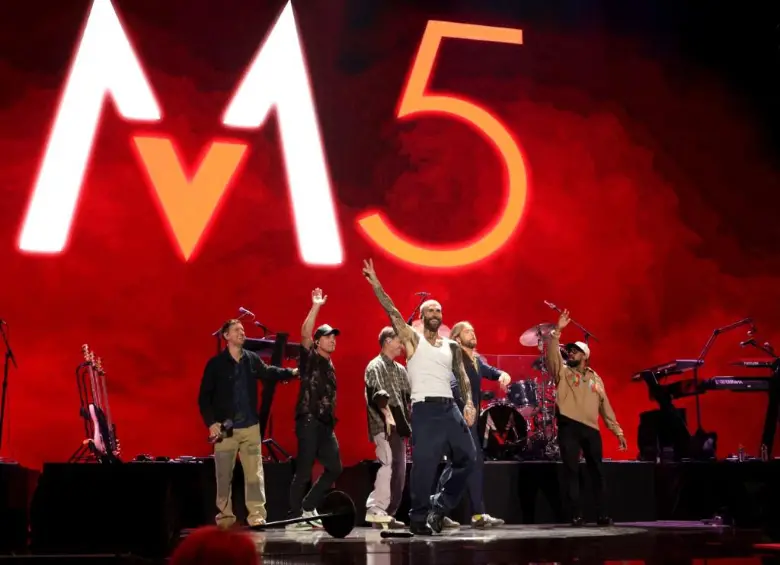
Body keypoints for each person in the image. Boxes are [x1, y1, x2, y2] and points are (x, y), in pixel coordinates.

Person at [362, 258, 476, 535]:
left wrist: (469, 403)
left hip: (450, 408)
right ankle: (418, 517)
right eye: (430, 309)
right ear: (423, 316)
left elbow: (461, 377)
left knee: (468, 458)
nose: (436, 312)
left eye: (439, 309)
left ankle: (440, 506)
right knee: (424, 467)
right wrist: (377, 284)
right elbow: (392, 311)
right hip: (425, 410)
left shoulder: (451, 345)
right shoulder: (412, 339)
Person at [198, 319, 298, 528]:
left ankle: (256, 517)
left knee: (254, 475)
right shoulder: (215, 365)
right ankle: (225, 518)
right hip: (226, 429)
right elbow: (204, 398)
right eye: (237, 330)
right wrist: (211, 424)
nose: (242, 333)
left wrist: (291, 372)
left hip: (250, 426)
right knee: (224, 475)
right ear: (226, 336)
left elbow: (269, 371)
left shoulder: (251, 359)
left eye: (243, 330)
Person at [546, 309, 627, 526]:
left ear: (585, 356)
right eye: (569, 351)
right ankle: (576, 515)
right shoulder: (562, 372)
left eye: (575, 351)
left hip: (591, 429)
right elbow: (552, 357)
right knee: (572, 471)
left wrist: (617, 431)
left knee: (598, 472)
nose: (570, 353)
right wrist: (557, 332)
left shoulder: (596, 378)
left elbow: (605, 407)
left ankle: (602, 514)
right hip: (569, 426)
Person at [439, 321, 511, 528]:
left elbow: (491, 371)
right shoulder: (454, 357)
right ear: (457, 338)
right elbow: (453, 385)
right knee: (458, 464)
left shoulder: (476, 360)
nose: (473, 333)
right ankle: (437, 510)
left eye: (474, 330)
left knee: (470, 463)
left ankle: (476, 514)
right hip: (457, 419)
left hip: (470, 422)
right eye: (468, 331)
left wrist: (501, 374)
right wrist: (464, 408)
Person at [287, 288, 343, 530]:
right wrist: (316, 305)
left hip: (325, 425)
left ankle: (308, 506)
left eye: (334, 337)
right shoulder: (310, 358)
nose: (333, 340)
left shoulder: (330, 365)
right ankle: (296, 515)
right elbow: (304, 333)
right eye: (328, 336)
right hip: (308, 421)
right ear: (318, 341)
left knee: (335, 467)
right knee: (304, 469)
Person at [364, 326, 412, 528]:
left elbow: (407, 397)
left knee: (399, 472)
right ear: (386, 341)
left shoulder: (400, 370)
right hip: (382, 425)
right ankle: (376, 507)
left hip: (399, 428)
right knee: (388, 464)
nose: (401, 345)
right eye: (398, 340)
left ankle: (386, 514)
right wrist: (387, 415)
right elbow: (377, 392)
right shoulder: (374, 366)